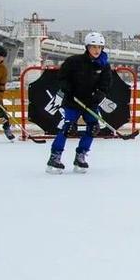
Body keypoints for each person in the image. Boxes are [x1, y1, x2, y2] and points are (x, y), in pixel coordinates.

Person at [46, 32, 115, 174]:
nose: (97, 50)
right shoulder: (74, 61)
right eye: (93, 47)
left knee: (93, 128)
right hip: (73, 101)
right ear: (87, 47)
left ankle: (81, 156)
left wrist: (99, 94)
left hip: (90, 103)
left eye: (99, 47)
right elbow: (62, 77)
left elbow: (105, 84)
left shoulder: (104, 65)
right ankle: (55, 157)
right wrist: (67, 89)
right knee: (67, 127)